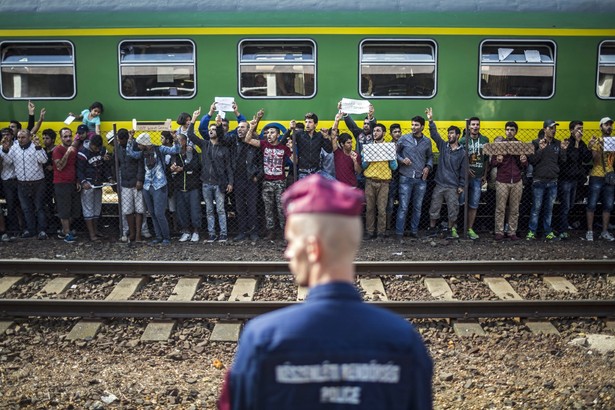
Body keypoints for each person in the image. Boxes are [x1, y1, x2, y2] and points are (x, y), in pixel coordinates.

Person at [219, 174, 432, 410]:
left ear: (312, 249)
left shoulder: (262, 340)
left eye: (291, 242)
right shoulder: (404, 341)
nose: (287, 253)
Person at [187, 110, 234, 243]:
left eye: (214, 129)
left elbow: (228, 167)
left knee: (220, 209)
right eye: (210, 129)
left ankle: (223, 234)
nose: (211, 131)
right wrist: (194, 118)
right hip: (206, 183)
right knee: (209, 210)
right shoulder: (204, 144)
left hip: (219, 183)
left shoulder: (224, 149)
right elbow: (190, 134)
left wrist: (230, 182)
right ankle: (212, 234)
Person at [127, 131, 180, 245]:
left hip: (159, 185)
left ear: (144, 143)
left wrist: (175, 139)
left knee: (159, 213)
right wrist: (130, 139)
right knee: (152, 212)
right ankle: (159, 236)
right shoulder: (143, 153)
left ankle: (166, 237)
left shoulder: (159, 149)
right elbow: (130, 153)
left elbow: (176, 150)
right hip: (147, 186)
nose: (139, 146)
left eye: (139, 144)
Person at [245, 119, 292, 241]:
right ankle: (271, 231)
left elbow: (295, 161)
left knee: (281, 209)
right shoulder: (264, 144)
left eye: (272, 132)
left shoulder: (283, 147)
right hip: (267, 182)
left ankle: (284, 231)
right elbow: (248, 140)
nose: (269, 135)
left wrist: (291, 149)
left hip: (280, 182)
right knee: (268, 209)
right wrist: (252, 127)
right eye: (268, 133)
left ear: (278, 135)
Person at [425, 108, 466, 239]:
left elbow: (463, 171)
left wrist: (461, 185)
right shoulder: (443, 146)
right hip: (440, 184)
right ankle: (432, 228)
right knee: (434, 207)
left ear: (458, 135)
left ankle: (450, 229)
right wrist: (430, 120)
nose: (449, 135)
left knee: (453, 209)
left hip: (453, 186)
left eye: (452, 133)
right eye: (448, 133)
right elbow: (434, 135)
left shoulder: (462, 153)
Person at [0, 129, 48, 239]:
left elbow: (43, 161)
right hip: (21, 183)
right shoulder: (15, 148)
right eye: (19, 137)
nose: (20, 140)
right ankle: (30, 230)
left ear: (29, 137)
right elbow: (8, 161)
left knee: (39, 207)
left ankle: (42, 230)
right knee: (26, 208)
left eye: (23, 137)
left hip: (38, 182)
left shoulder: (35, 146)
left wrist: (38, 148)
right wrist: (5, 149)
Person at [526, 120, 569, 240]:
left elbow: (562, 162)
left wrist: (564, 150)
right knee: (536, 208)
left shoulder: (558, 144)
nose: (553, 130)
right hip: (538, 180)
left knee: (549, 209)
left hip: (553, 181)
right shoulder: (535, 143)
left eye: (555, 128)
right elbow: (532, 161)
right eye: (551, 128)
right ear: (544, 129)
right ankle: (532, 232)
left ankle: (547, 232)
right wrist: (540, 149)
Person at [395, 115, 433, 239]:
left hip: (420, 179)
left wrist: (428, 166)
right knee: (403, 207)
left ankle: (414, 231)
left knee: (417, 207)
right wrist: (401, 159)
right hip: (405, 177)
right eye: (412, 124)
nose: (413, 127)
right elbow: (394, 152)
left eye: (416, 125)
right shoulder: (403, 139)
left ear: (422, 127)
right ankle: (399, 233)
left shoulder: (427, 141)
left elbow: (430, 156)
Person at [489, 121, 528, 241]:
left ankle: (512, 232)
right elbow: (492, 163)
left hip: (516, 180)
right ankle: (499, 232)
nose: (509, 132)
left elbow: (525, 165)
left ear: (516, 131)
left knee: (515, 209)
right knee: (500, 208)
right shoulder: (500, 145)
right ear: (505, 131)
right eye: (507, 129)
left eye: (512, 130)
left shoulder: (520, 145)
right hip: (502, 180)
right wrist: (498, 160)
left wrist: (523, 160)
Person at [362, 124, 398, 240]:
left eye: (378, 131)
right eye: (374, 131)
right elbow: (363, 165)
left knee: (382, 209)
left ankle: (381, 233)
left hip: (384, 182)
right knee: (370, 209)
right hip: (370, 181)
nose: (375, 133)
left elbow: (394, 167)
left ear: (384, 133)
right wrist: (367, 159)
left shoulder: (389, 148)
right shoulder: (367, 147)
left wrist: (392, 157)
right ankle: (370, 231)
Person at [558, 121, 591, 239]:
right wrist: (576, 143)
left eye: (582, 129)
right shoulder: (568, 142)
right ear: (571, 130)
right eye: (578, 129)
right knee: (565, 205)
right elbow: (571, 159)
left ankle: (564, 226)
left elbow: (587, 159)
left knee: (570, 205)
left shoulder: (582, 143)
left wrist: (590, 148)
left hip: (576, 179)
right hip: (566, 179)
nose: (580, 131)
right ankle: (562, 230)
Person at [77, 134, 113, 241]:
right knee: (88, 209)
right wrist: (83, 181)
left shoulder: (101, 150)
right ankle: (91, 234)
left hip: (98, 183)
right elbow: (79, 169)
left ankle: (96, 230)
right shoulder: (83, 152)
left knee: (97, 208)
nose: (97, 150)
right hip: (88, 183)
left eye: (98, 148)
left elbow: (104, 167)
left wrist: (109, 177)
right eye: (95, 148)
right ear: (91, 144)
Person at [458, 116, 489, 240]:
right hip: (464, 178)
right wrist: (465, 169)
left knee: (474, 204)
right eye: (473, 125)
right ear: (469, 127)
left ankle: (470, 229)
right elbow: (459, 159)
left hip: (477, 177)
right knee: (460, 202)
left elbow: (486, 160)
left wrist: (485, 175)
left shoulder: (484, 140)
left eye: (477, 124)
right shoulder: (462, 140)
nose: (475, 126)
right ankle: (455, 227)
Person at [585, 117, 615, 242]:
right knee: (592, 204)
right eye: (606, 125)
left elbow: (612, 161)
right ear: (601, 127)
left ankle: (604, 231)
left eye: (610, 125)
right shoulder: (596, 141)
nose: (609, 127)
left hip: (609, 175)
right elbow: (595, 160)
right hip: (596, 175)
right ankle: (590, 231)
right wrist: (601, 147)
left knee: (608, 205)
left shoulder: (613, 141)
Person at [169, 132, 202, 243]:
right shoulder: (174, 153)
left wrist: (182, 169)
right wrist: (173, 167)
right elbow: (171, 164)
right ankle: (186, 231)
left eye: (179, 140)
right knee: (182, 211)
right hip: (179, 187)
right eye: (175, 141)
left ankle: (196, 232)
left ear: (184, 141)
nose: (177, 143)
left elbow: (196, 166)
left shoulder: (191, 151)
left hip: (192, 187)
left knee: (195, 210)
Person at [114, 129, 145, 243]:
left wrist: (140, 179)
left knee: (139, 209)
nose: (119, 142)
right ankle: (132, 233)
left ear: (126, 139)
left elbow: (140, 163)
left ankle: (138, 235)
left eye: (121, 140)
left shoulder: (136, 145)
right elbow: (116, 164)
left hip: (135, 181)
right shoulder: (117, 148)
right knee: (128, 210)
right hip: (125, 182)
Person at [283, 113, 333, 180]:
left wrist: (326, 137)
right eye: (306, 122)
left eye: (310, 122)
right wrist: (289, 129)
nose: (307, 124)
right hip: (303, 172)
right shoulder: (299, 134)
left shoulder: (319, 136)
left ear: (315, 124)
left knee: (333, 182)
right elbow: (282, 142)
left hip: (316, 171)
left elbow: (329, 150)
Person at [52, 128, 80, 243]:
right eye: (65, 136)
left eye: (70, 136)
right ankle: (67, 234)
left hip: (72, 182)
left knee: (74, 210)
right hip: (61, 183)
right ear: (61, 138)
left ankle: (64, 231)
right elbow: (59, 166)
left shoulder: (75, 150)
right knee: (64, 210)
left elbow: (75, 165)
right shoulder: (57, 150)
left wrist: (77, 180)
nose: (68, 138)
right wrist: (68, 152)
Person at [331, 112, 361, 187]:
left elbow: (359, 171)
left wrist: (355, 160)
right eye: (348, 143)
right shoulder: (337, 152)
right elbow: (333, 136)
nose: (351, 144)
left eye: (351, 142)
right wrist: (336, 121)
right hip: (340, 187)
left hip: (352, 186)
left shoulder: (355, 154)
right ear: (342, 144)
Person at [386, 123, 403, 234]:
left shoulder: (405, 144)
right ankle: (387, 227)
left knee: (403, 203)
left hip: (403, 176)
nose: (397, 134)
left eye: (399, 132)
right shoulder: (388, 146)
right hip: (392, 177)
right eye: (395, 132)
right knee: (390, 204)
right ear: (391, 134)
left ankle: (400, 227)